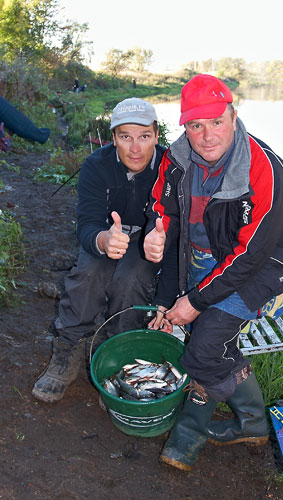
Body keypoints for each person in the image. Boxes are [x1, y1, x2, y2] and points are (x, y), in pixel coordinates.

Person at [144, 74, 283, 471]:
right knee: (211, 341)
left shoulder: (264, 169)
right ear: (184, 127)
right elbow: (164, 212)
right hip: (205, 259)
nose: (207, 135)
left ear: (234, 115)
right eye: (196, 125)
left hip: (261, 268)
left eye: (217, 121)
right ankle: (253, 423)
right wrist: (155, 232)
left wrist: (194, 302)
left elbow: (249, 255)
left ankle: (195, 425)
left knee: (204, 347)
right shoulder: (176, 159)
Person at [32, 97, 177, 403]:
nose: (135, 148)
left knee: (131, 279)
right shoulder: (96, 165)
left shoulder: (171, 167)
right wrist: (101, 240)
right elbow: (85, 225)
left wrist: (158, 239)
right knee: (89, 273)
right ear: (113, 138)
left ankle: (119, 361)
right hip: (104, 235)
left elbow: (174, 222)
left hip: (148, 241)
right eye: (125, 137)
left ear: (156, 136)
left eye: (144, 137)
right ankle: (67, 351)